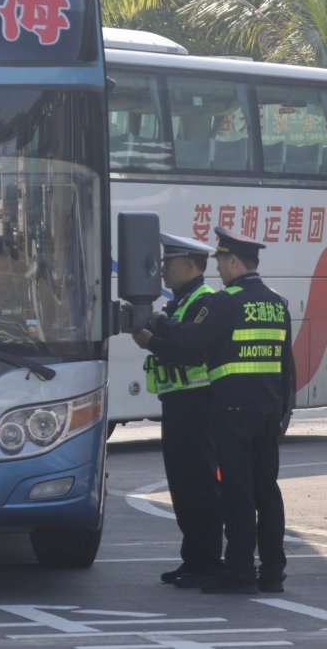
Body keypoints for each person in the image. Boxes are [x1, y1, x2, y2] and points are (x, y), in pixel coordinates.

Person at [135, 226, 293, 594]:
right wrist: (283, 409)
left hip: (233, 409)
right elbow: (287, 364)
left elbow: (189, 347)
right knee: (267, 491)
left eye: (221, 261)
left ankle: (239, 571)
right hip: (269, 410)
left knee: (237, 491)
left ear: (235, 261)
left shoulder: (226, 302)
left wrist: (155, 328)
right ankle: (273, 572)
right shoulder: (277, 302)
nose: (218, 268)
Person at [131, 233, 222, 588]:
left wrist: (152, 341)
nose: (163, 270)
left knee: (200, 485)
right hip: (177, 404)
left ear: (189, 265)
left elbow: (190, 351)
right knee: (182, 487)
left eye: (168, 263)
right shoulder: (178, 304)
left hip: (199, 405)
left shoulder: (205, 302)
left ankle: (208, 561)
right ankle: (193, 559)